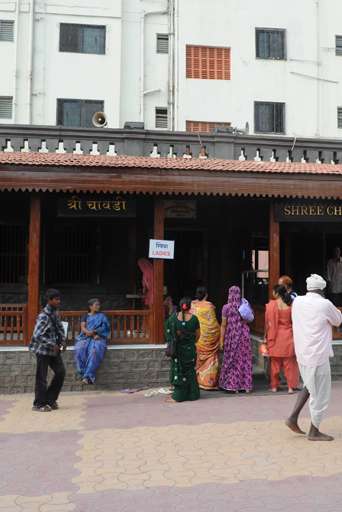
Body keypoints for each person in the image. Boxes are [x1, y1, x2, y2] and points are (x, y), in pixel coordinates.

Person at [286, 274, 342, 441]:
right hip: (318, 355)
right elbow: (338, 320)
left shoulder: (298, 302)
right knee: (321, 394)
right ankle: (314, 431)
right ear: (322, 289)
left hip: (302, 353)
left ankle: (292, 418)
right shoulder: (324, 303)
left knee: (310, 386)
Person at [28, 288, 67, 412]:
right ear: (49, 300)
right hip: (43, 351)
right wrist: (52, 344)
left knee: (60, 372)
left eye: (59, 299)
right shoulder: (43, 316)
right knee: (41, 377)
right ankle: (38, 404)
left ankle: (50, 398)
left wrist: (62, 340)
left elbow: (59, 327)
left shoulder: (55, 312)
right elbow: (37, 335)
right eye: (56, 299)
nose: (58, 301)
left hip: (54, 351)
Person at [164, 297, 201, 403]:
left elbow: (166, 326)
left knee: (179, 372)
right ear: (190, 307)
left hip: (178, 350)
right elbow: (198, 335)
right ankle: (192, 394)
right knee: (191, 371)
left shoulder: (173, 318)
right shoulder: (194, 318)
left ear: (181, 306)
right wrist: (193, 343)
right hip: (190, 349)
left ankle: (179, 396)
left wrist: (171, 339)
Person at [264, 284, 298, 394]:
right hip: (289, 336)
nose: (272, 294)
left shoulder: (271, 305)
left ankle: (274, 387)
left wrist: (265, 336)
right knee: (290, 364)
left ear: (277, 293)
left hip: (275, 337)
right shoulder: (292, 304)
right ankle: (290, 387)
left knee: (274, 364)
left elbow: (267, 324)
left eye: (273, 292)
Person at [219, 286, 253, 394]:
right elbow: (250, 318)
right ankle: (247, 387)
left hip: (231, 336)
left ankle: (234, 387)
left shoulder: (226, 308)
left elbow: (223, 325)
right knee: (245, 359)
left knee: (233, 359)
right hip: (244, 335)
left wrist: (221, 340)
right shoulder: (244, 305)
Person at [74, 298, 110, 385]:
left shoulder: (102, 316)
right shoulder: (85, 316)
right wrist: (92, 334)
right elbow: (83, 328)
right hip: (86, 336)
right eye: (96, 305)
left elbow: (104, 328)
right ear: (90, 306)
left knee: (94, 351)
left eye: (99, 304)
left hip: (98, 337)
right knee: (79, 349)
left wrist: (94, 332)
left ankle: (87, 374)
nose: (98, 306)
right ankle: (83, 369)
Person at [191, 286, 220, 390]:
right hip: (209, 339)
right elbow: (213, 323)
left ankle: (199, 381)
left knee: (199, 358)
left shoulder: (192, 304)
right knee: (211, 359)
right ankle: (209, 383)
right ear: (206, 294)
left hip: (198, 337)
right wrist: (219, 332)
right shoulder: (210, 307)